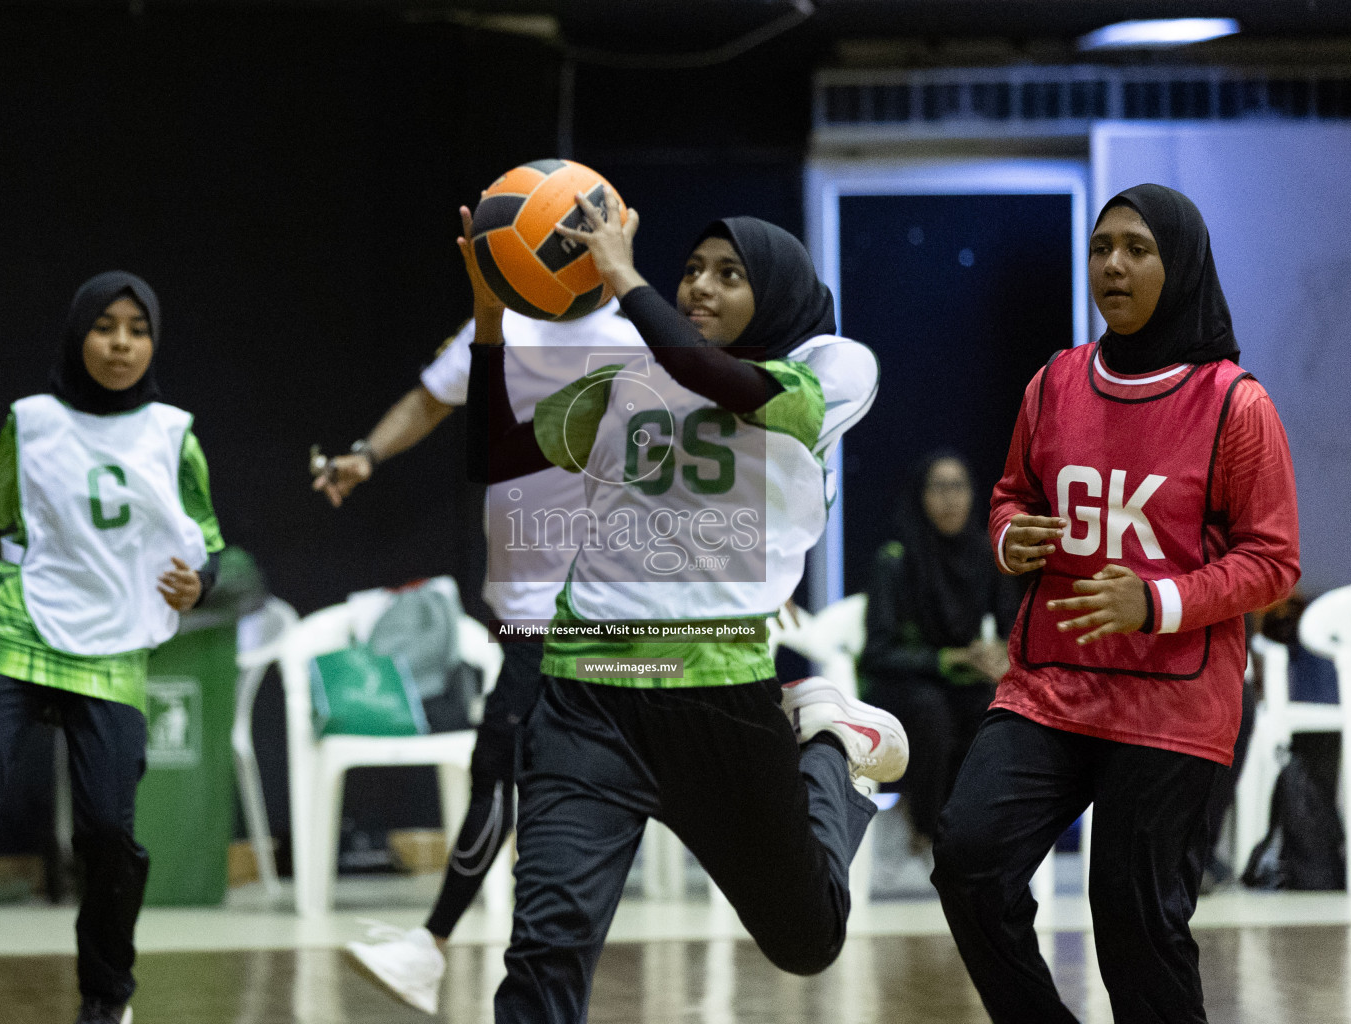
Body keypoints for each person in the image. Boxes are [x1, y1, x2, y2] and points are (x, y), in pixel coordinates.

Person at [462, 191, 903, 1024]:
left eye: (729, 275)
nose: (701, 286)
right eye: (692, 270)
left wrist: (627, 282)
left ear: (774, 291)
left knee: (807, 942)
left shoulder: (832, 369)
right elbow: (495, 450)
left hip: (717, 696)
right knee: (546, 945)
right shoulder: (629, 379)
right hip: (585, 696)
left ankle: (834, 753)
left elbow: (727, 386)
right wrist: (492, 317)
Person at [930, 184, 1299, 1024]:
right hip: (1051, 687)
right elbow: (1011, 493)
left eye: (1137, 248)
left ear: (1182, 264)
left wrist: (1157, 602)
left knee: (1134, 929)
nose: (1114, 265)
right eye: (1102, 248)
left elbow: (1273, 563)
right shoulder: (1055, 382)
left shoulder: (1236, 404)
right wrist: (1008, 536)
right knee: (969, 859)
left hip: (1171, 702)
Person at [0, 272, 225, 1024]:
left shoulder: (173, 433)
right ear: (79, 335)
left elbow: (209, 547)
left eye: (137, 328)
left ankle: (105, 998)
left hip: (113, 643)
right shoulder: (31, 422)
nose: (122, 342)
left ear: (153, 340)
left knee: (109, 829)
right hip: (20, 624)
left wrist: (199, 581)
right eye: (106, 326)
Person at [312, 302, 643, 1015]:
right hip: (530, 608)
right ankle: (439, 948)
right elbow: (431, 399)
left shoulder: (638, 333)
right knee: (520, 775)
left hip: (590, 607)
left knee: (506, 770)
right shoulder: (496, 327)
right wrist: (367, 454)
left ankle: (432, 946)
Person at [857, 452, 1021, 848]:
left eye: (959, 486)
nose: (950, 499)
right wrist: (948, 659)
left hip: (967, 683)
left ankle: (981, 832)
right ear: (920, 496)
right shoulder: (895, 561)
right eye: (939, 487)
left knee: (996, 710)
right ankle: (928, 830)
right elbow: (877, 653)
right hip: (904, 684)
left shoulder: (986, 555)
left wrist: (997, 655)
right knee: (930, 711)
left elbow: (1013, 630)